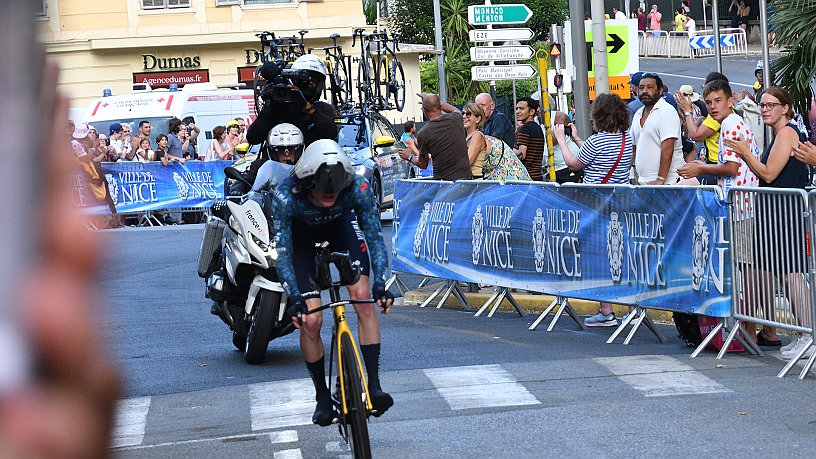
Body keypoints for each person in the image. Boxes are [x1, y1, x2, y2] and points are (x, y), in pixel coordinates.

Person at [271, 139, 394, 427]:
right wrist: (294, 298)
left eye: (335, 191)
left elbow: (375, 238)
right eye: (322, 191)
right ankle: (322, 397)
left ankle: (373, 386)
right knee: (311, 320)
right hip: (301, 241)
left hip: (341, 228)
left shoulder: (359, 186)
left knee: (363, 296)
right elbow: (284, 254)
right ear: (306, 182)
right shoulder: (286, 196)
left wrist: (381, 284)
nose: (329, 195)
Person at [725, 86, 812, 359]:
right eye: (762, 105)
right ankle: (803, 334)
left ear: (785, 108)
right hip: (778, 211)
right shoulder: (781, 134)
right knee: (787, 277)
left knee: (792, 275)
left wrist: (744, 153)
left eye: (770, 105)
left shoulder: (787, 133)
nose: (764, 109)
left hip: (786, 212)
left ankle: (808, 335)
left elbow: (769, 174)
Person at [553, 94, 634, 326]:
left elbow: (574, 163)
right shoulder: (625, 139)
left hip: (596, 206)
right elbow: (596, 157)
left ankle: (606, 310)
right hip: (621, 203)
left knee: (601, 258)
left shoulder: (597, 142)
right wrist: (578, 139)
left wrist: (562, 139)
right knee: (622, 256)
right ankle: (631, 309)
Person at [677, 79, 760, 192]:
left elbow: (731, 168)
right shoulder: (733, 120)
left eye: (718, 101)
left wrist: (701, 168)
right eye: (708, 102)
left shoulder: (730, 123)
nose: (713, 106)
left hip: (737, 201)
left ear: (730, 101)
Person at [246, 54, 336, 147]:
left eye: (314, 80)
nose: (310, 82)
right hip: (278, 160)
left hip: (312, 159)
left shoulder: (322, 108)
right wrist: (268, 106)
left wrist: (307, 107)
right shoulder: (279, 108)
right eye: (305, 79)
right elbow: (253, 138)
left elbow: (330, 133)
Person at [399, 92, 472, 181]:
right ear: (441, 107)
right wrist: (434, 101)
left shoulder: (423, 133)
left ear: (423, 110)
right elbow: (454, 109)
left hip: (444, 183)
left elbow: (423, 164)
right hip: (466, 180)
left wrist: (409, 157)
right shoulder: (456, 118)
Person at [631, 73, 684, 184]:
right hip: (645, 182)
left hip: (668, 183)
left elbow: (668, 148)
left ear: (660, 91)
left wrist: (660, 179)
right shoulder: (638, 114)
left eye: (649, 87)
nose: (645, 91)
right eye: (641, 88)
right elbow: (633, 147)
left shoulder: (666, 111)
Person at [513, 97, 545, 181]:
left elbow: (521, 155)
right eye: (517, 108)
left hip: (527, 176)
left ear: (532, 111)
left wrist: (507, 149)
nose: (517, 112)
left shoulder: (525, 128)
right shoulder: (537, 127)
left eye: (522, 109)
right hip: (537, 175)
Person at [462, 102, 488, 179]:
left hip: (474, 183)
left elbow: (468, 162)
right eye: (463, 113)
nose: (464, 116)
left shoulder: (477, 135)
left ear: (478, 119)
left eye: (468, 114)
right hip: (467, 182)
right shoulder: (466, 136)